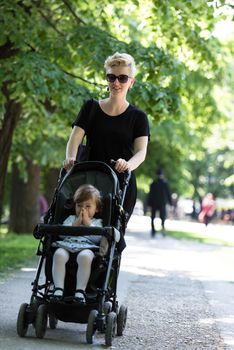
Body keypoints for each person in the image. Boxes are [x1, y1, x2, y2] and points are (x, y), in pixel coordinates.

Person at [63, 52, 150, 225]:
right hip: (88, 179)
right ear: (107, 79)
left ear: (131, 82)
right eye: (112, 77)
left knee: (110, 238)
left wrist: (127, 165)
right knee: (79, 227)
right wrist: (70, 158)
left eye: (123, 78)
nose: (116, 83)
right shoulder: (91, 108)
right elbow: (74, 140)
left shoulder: (139, 117)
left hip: (120, 183)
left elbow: (141, 152)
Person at [51, 184, 108, 304]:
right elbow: (61, 234)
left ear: (96, 208)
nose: (83, 209)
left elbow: (99, 239)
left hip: (87, 248)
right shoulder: (71, 219)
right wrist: (75, 225)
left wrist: (88, 224)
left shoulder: (97, 222)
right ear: (74, 206)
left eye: (88, 206)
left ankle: (80, 291)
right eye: (79, 205)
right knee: (58, 255)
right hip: (67, 245)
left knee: (85, 257)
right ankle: (58, 288)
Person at [147, 169, 172, 237]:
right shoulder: (164, 183)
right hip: (160, 203)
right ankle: (159, 230)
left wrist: (149, 204)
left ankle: (155, 231)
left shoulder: (154, 184)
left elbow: (150, 195)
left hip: (156, 203)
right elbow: (168, 194)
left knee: (156, 217)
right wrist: (170, 203)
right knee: (161, 217)